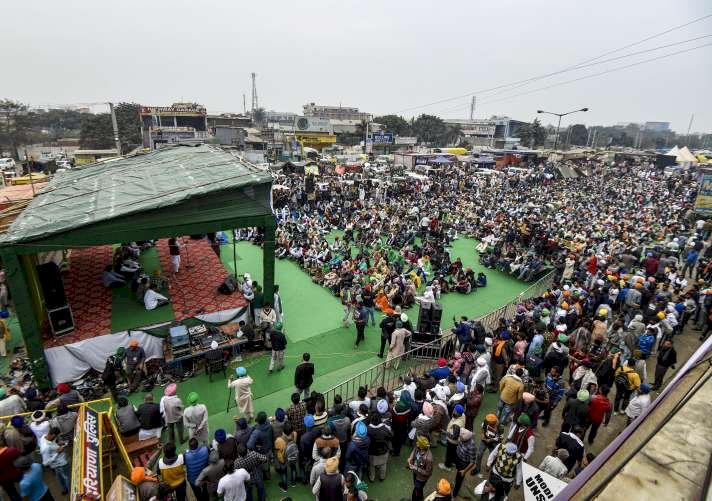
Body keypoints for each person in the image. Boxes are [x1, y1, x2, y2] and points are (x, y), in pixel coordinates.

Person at [39, 427, 69, 495]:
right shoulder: (46, 447)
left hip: (58, 464)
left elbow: (52, 445)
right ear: (53, 435)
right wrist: (58, 452)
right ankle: (69, 490)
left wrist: (58, 444)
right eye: (56, 436)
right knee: (67, 478)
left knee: (60, 478)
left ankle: (65, 489)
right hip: (60, 464)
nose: (56, 438)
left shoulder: (44, 437)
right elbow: (45, 463)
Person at [451, 428, 476, 498]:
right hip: (458, 458)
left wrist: (464, 471)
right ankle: (456, 482)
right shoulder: (462, 436)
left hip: (464, 463)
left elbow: (472, 462)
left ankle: (454, 495)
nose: (459, 438)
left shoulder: (472, 446)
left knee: (459, 479)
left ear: (466, 439)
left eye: (461, 438)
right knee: (458, 474)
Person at [408, 436, 433, 501]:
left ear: (422, 446)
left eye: (418, 442)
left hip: (421, 478)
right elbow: (414, 451)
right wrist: (410, 458)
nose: (416, 443)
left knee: (416, 490)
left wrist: (415, 468)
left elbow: (428, 473)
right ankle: (420, 496)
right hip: (415, 473)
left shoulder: (428, 459)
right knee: (418, 488)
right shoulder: (418, 447)